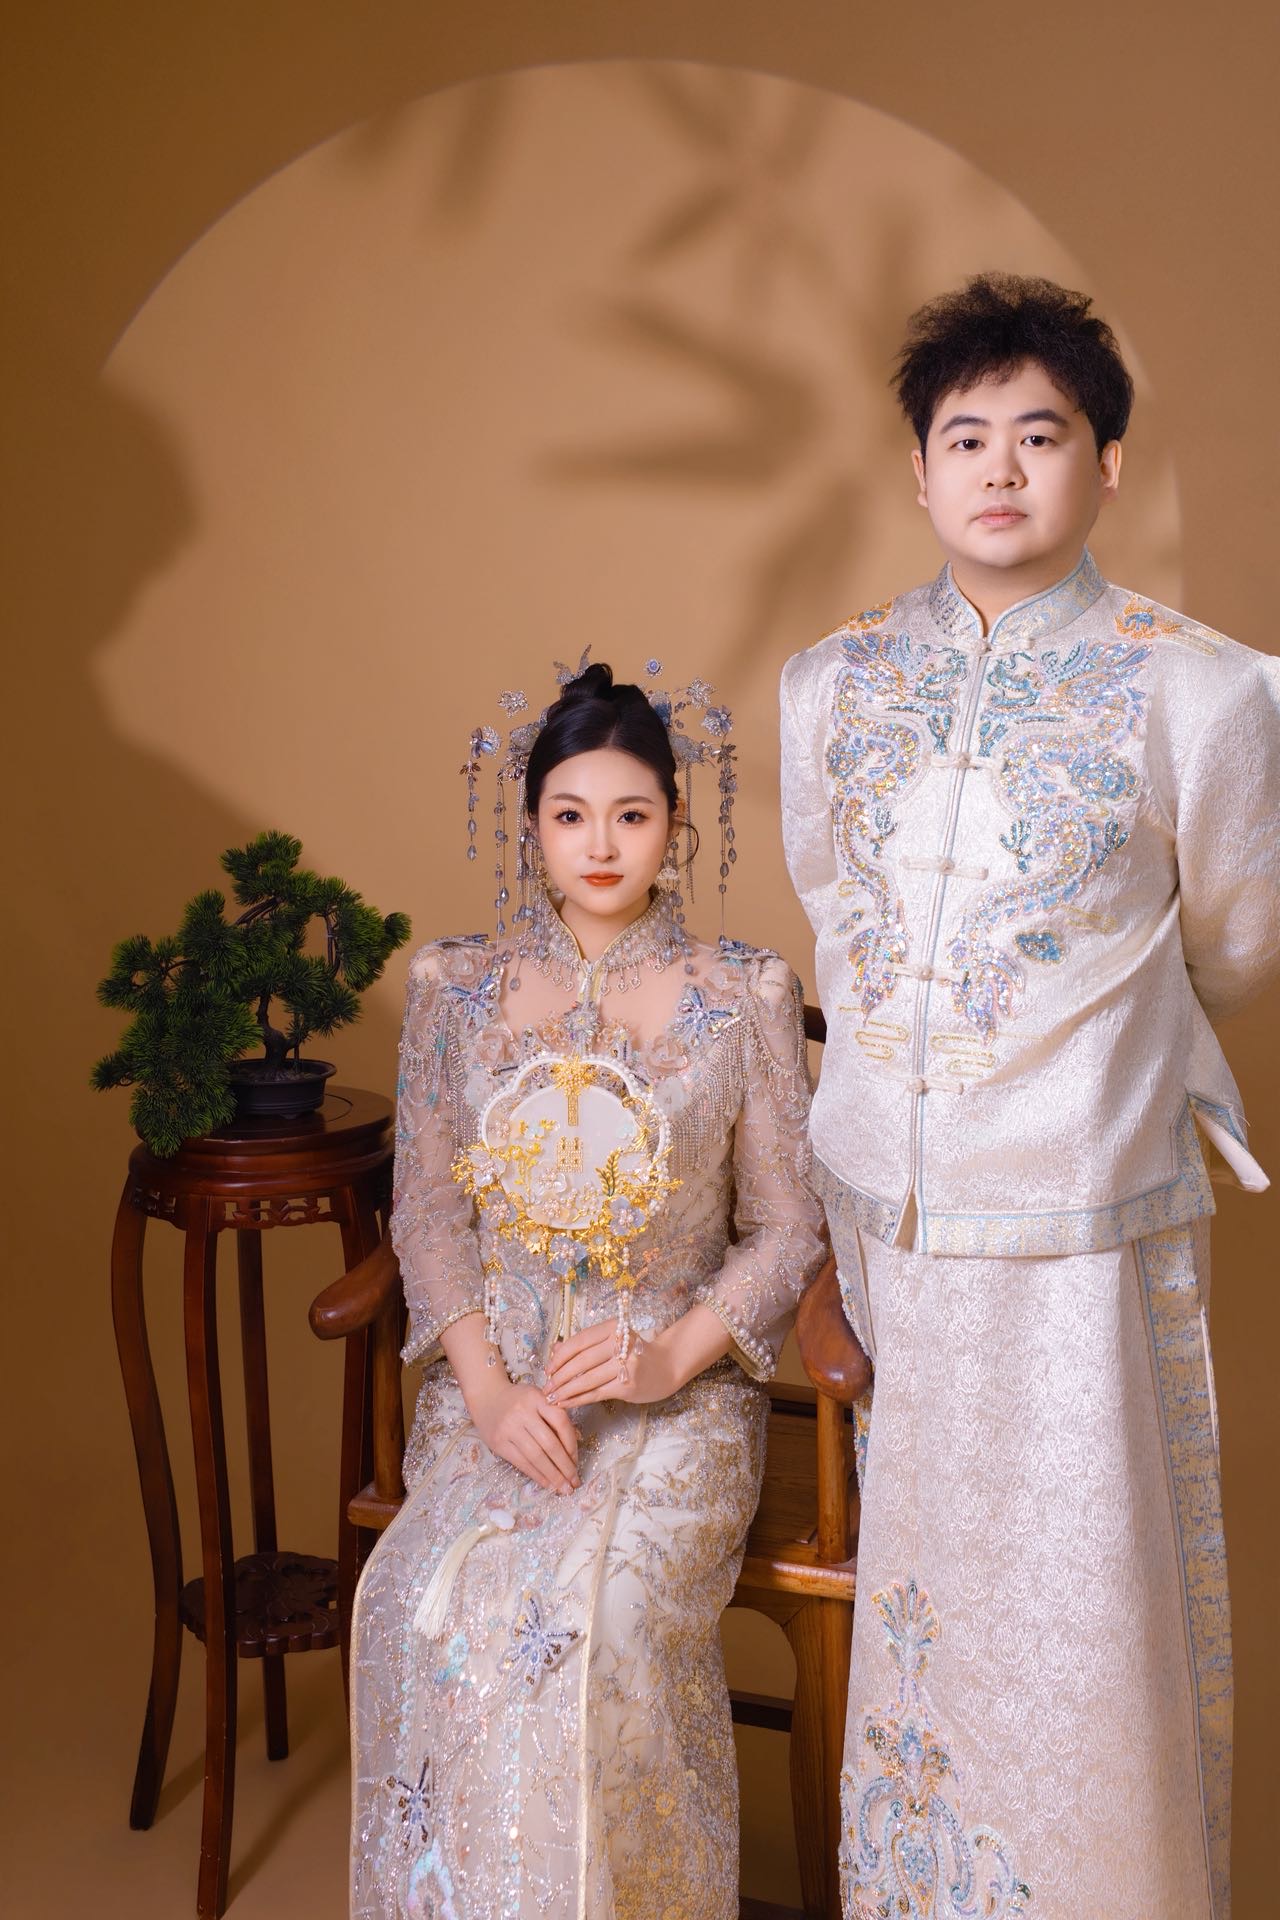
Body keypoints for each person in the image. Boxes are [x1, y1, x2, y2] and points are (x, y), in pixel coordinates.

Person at [780, 273, 1280, 1920]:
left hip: (1084, 1225)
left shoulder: (1204, 692)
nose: (1000, 469)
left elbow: (1236, 944)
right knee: (931, 1627)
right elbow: (837, 914)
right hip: (892, 1229)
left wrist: (1079, 1068)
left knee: (1090, 1615)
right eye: (966, 437)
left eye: (1042, 436)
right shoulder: (832, 684)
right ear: (919, 471)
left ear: (1108, 466)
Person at [351, 660, 825, 1919]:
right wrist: (487, 1392)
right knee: (426, 1606)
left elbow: (788, 1227)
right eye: (570, 814)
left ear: (674, 824)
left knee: (604, 1617)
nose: (600, 845)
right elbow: (426, 1212)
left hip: (678, 1404)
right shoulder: (454, 989)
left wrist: (668, 1358)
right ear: (529, 826)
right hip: (497, 1391)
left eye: (630, 813)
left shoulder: (742, 993)